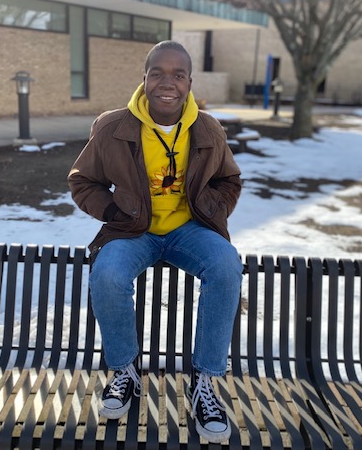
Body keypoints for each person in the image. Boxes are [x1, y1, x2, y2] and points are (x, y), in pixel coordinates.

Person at [67, 40, 242, 443]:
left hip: (189, 230)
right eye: (157, 73)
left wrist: (212, 209)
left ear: (190, 82)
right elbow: (82, 180)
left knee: (225, 265)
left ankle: (204, 382)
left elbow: (229, 180)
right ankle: (125, 370)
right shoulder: (114, 127)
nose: (168, 82)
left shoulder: (208, 129)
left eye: (178, 74)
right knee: (108, 273)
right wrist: (113, 214)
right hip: (133, 231)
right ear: (143, 79)